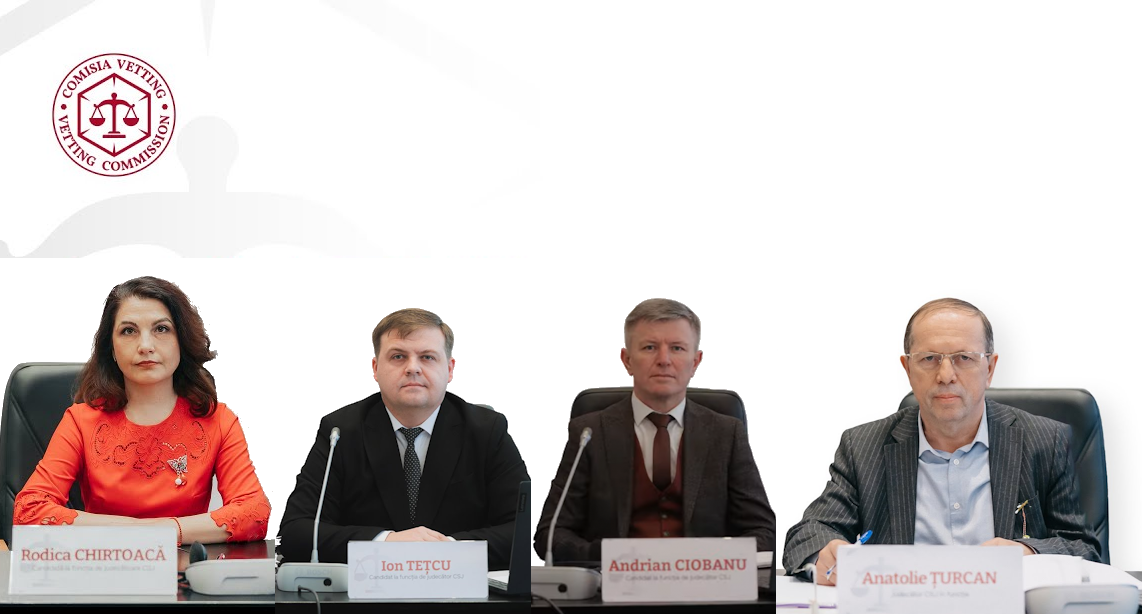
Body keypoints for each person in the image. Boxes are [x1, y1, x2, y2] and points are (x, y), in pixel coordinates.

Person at [783, 298, 1100, 585]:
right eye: (930, 358)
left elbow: (1084, 549)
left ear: (989, 368)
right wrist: (827, 553)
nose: (946, 374)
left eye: (964, 357)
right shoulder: (864, 447)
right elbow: (806, 535)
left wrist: (1026, 553)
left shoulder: (1044, 442)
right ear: (908, 368)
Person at [13, 276, 270, 544]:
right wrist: (137, 531)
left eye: (161, 329)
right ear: (111, 348)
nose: (145, 345)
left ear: (181, 341)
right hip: (102, 562)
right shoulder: (81, 421)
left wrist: (165, 531)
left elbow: (254, 513)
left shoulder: (218, 420)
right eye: (128, 331)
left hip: (183, 566)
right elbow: (29, 511)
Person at [277, 308, 530, 569]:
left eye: (427, 357)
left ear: (449, 369)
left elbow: (519, 531)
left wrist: (446, 551)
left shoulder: (487, 431)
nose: (413, 368)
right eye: (398, 356)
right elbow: (297, 531)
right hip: (368, 588)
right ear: (376, 368)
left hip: (461, 586)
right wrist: (387, 543)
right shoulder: (340, 432)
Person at [534, 298, 775, 562]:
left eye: (677, 348)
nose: (664, 360)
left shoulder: (725, 433)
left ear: (696, 362)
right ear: (627, 360)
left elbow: (763, 531)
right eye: (650, 347)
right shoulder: (589, 433)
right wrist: (610, 557)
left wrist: (712, 559)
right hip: (614, 583)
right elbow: (551, 534)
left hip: (702, 580)